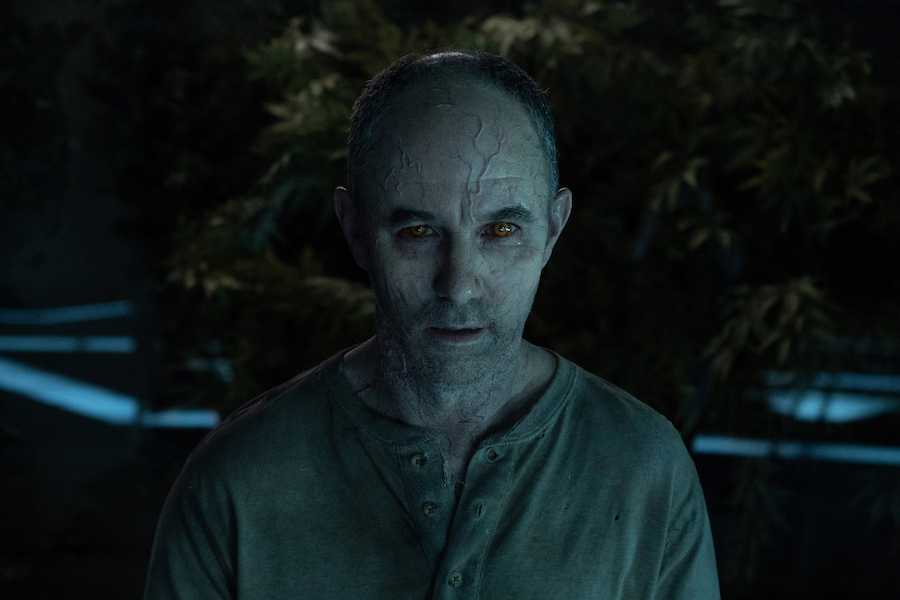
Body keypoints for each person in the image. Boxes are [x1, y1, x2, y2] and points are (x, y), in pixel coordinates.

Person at [145, 50, 720, 599]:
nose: (459, 284)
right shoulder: (236, 484)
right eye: (418, 232)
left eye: (501, 231)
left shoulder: (645, 469)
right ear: (354, 230)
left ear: (553, 229)